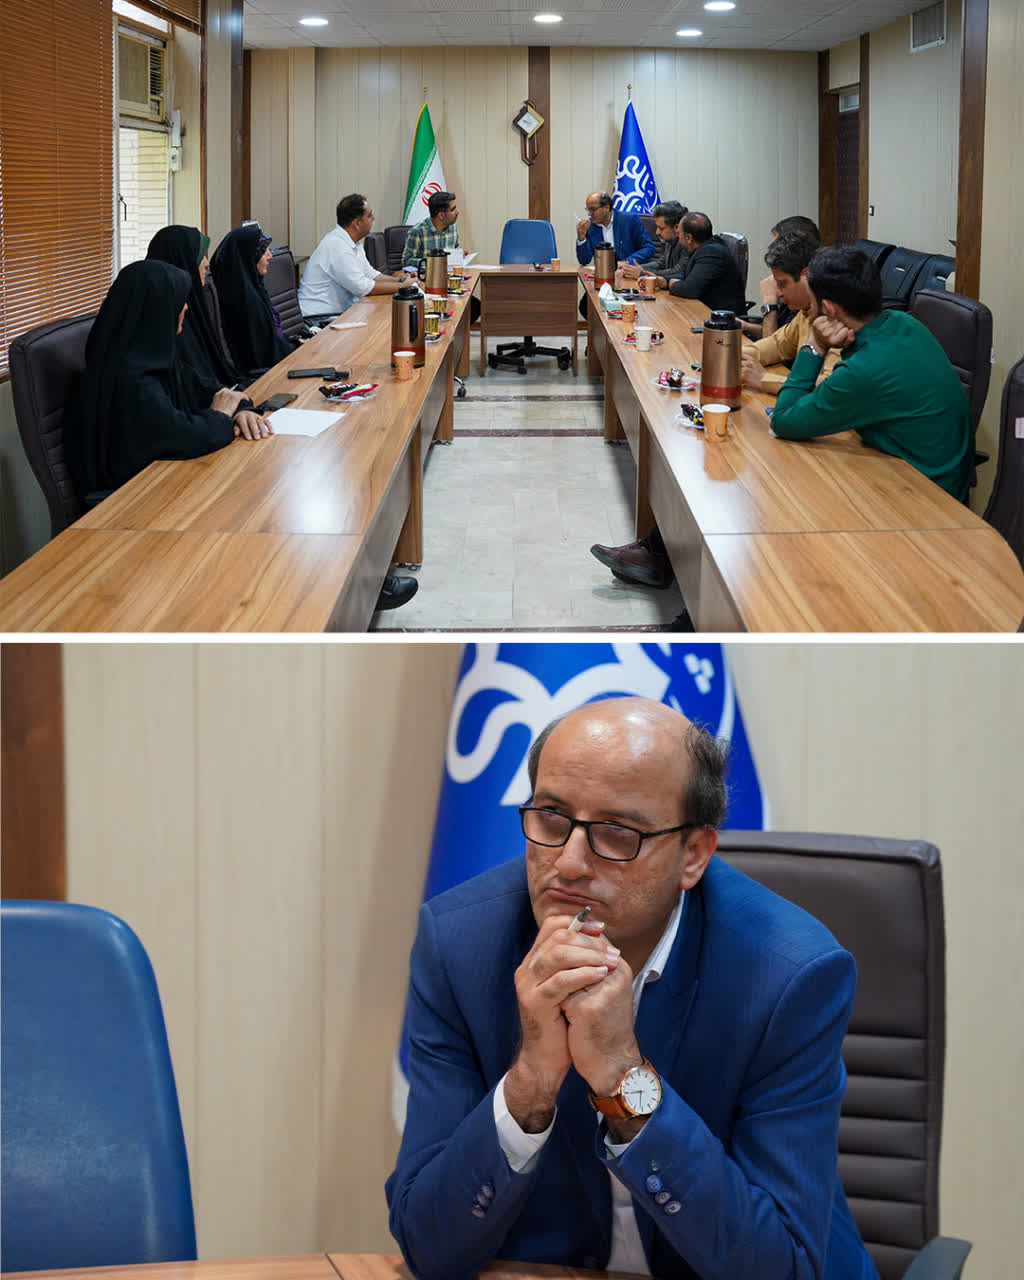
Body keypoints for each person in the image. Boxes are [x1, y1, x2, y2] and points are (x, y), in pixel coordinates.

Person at [387, 698, 879, 1280]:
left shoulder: (788, 977)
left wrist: (624, 1081)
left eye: (617, 833)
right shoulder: (461, 946)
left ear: (693, 855)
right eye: (551, 818)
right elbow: (430, 1249)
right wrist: (531, 1082)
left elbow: (782, 1268)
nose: (569, 863)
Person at [771, 245, 972, 501]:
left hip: (926, 501)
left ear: (829, 309)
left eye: (812, 302)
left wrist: (815, 345)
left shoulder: (863, 371)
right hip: (929, 476)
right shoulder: (904, 322)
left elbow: (783, 420)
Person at [64, 259, 271, 501]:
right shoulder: (130, 379)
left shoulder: (153, 356)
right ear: (157, 308)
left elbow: (211, 389)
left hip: (168, 481)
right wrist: (221, 416)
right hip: (133, 501)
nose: (186, 307)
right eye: (179, 301)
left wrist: (242, 410)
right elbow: (184, 436)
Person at [741, 230, 841, 396]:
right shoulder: (806, 311)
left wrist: (764, 379)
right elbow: (777, 345)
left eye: (782, 284)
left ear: (806, 276)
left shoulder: (838, 316)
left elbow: (828, 388)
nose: (778, 293)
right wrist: (729, 355)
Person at [146, 224, 243, 389]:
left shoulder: (194, 306)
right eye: (200, 257)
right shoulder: (167, 327)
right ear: (182, 261)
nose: (207, 264)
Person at [298, 192, 401, 322]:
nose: (373, 218)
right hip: (319, 319)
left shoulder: (353, 242)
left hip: (340, 314)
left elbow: (370, 274)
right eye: (369, 216)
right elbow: (362, 287)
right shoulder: (337, 246)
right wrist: (404, 287)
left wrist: (400, 281)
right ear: (356, 223)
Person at [209, 224, 293, 379]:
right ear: (249, 257)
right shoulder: (246, 303)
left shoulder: (253, 288)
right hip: (270, 376)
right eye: (264, 251)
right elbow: (266, 357)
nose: (270, 256)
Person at [642, 212, 746, 314]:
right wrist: (664, 281)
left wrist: (671, 284)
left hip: (723, 319)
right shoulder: (703, 248)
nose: (678, 237)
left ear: (689, 238)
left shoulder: (711, 253)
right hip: (705, 311)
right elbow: (687, 274)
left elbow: (689, 289)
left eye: (679, 233)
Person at [402, 191, 480, 322]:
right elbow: (407, 261)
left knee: (475, 307)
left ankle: (453, 332)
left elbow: (453, 253)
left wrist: (459, 255)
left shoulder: (453, 228)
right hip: (427, 285)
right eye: (453, 209)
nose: (457, 212)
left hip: (449, 283)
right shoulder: (418, 231)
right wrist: (434, 262)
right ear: (441, 215)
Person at [740, 215, 821, 340]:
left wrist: (770, 303)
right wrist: (746, 326)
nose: (773, 251)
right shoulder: (802, 308)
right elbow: (779, 339)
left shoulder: (804, 303)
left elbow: (773, 342)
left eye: (778, 246)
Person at [575, 190, 657, 267]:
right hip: (603, 273)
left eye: (593, 209)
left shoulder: (629, 220)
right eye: (588, 209)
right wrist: (581, 238)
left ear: (606, 207)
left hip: (629, 271)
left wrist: (627, 262)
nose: (589, 214)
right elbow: (584, 261)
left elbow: (648, 248)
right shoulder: (590, 226)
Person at [619, 201, 687, 282]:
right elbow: (662, 263)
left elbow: (678, 272)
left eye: (661, 228)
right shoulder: (670, 239)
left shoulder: (687, 243)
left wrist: (643, 273)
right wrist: (638, 268)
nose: (657, 232)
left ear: (676, 227)